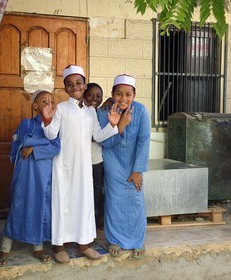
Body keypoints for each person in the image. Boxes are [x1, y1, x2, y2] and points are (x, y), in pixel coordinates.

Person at [41, 65, 121, 263]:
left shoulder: (90, 112)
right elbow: (51, 134)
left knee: (83, 203)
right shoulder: (61, 108)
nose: (75, 87)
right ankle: (59, 245)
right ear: (66, 88)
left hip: (84, 167)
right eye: (70, 84)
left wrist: (112, 124)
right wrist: (47, 117)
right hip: (63, 165)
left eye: (78, 83)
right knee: (63, 202)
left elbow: (98, 136)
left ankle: (84, 243)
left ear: (84, 85)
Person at [0, 90, 61, 266]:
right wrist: (38, 145)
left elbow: (56, 148)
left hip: (43, 176)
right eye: (44, 101)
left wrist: (35, 149)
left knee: (40, 208)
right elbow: (26, 140)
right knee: (19, 206)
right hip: (25, 175)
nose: (49, 104)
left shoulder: (54, 128)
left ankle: (38, 248)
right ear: (35, 106)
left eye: (52, 102)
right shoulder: (27, 123)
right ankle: (5, 249)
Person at [97, 74, 151, 259]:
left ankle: (137, 240)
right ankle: (114, 239)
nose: (123, 99)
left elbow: (144, 141)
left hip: (134, 163)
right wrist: (121, 124)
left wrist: (138, 170)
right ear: (112, 94)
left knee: (135, 199)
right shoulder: (103, 113)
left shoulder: (142, 111)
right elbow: (106, 142)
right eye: (118, 94)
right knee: (115, 200)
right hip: (113, 160)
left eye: (128, 94)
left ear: (134, 95)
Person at [83, 83, 105, 229]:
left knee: (98, 190)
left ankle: (97, 222)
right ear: (84, 94)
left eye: (98, 96)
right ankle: (85, 223)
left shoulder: (102, 113)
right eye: (90, 94)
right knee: (84, 191)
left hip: (97, 160)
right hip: (82, 161)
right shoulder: (82, 112)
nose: (94, 98)